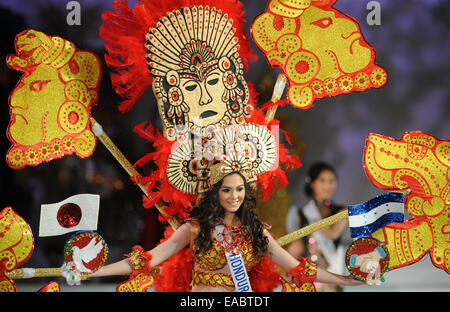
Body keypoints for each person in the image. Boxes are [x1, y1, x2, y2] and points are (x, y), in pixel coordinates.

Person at [89, 162, 362, 292]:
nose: (235, 196)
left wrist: (346, 279)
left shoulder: (257, 232)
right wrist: (94, 271)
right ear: (215, 194)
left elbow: (296, 267)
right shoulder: (195, 229)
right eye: (227, 190)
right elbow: (148, 259)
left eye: (240, 190)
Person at [286, 161, 349, 291]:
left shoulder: (340, 212)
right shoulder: (301, 214)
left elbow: (333, 234)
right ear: (312, 183)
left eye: (332, 181)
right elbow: (297, 247)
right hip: (309, 278)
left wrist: (314, 224)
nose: (328, 185)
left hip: (331, 275)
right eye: (323, 180)